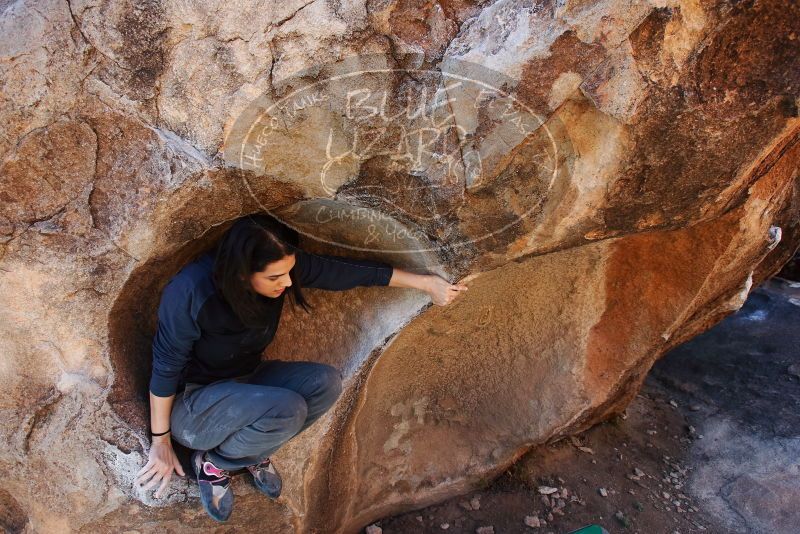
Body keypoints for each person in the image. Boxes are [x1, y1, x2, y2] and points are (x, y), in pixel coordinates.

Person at [134, 213, 468, 522]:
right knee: (287, 408)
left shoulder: (281, 269)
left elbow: (349, 272)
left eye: (290, 272)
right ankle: (213, 466)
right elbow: (165, 367)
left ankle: (246, 453)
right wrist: (160, 441)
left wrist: (426, 284)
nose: (288, 283)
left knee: (326, 383)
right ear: (241, 272)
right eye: (276, 277)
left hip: (245, 384)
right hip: (193, 406)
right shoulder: (191, 291)